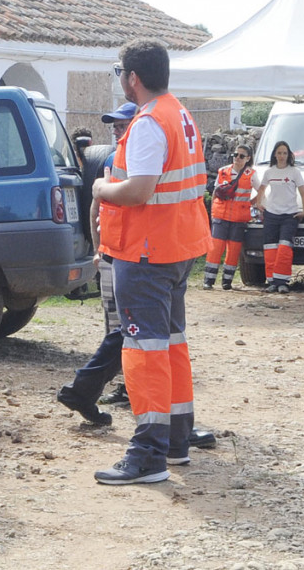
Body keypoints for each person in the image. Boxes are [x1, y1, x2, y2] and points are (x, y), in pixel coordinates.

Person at [57, 100, 216, 454]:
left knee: (134, 335)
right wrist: (99, 249)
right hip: (131, 253)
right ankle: (156, 432)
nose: (116, 128)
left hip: (141, 251)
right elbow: (98, 205)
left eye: (122, 122)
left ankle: (95, 396)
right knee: (137, 337)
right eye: (113, 123)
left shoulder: (144, 140)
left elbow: (118, 197)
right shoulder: (126, 150)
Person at [90, 38, 210, 485]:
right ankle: (175, 441)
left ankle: (147, 455)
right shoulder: (178, 112)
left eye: (119, 72)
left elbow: (138, 190)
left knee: (143, 350)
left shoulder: (147, 122)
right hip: (176, 247)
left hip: (145, 250)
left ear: (132, 77)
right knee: (171, 344)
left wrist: (101, 189)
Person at [203, 144, 258, 290]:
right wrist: (214, 212)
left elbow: (262, 190)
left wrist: (252, 203)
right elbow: (215, 191)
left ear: (248, 158)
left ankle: (227, 281)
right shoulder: (223, 171)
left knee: (233, 251)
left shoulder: (251, 174)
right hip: (221, 216)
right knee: (215, 249)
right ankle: (208, 280)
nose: (237, 158)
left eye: (241, 156)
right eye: (235, 155)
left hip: (239, 218)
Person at [257, 141, 304, 293]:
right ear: (275, 154)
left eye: (284, 153)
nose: (282, 156)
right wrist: (259, 203)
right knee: (270, 248)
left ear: (289, 155)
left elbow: (303, 192)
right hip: (271, 214)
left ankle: (283, 282)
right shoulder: (269, 172)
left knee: (284, 249)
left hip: (289, 215)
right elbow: (261, 189)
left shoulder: (294, 172)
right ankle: (272, 281)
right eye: (279, 153)